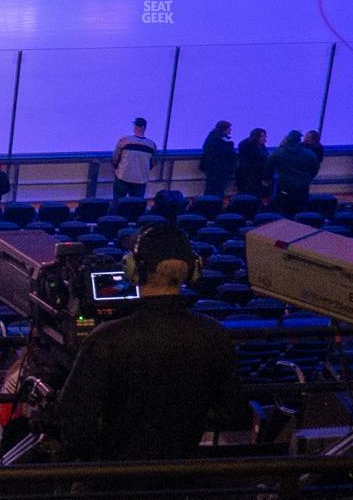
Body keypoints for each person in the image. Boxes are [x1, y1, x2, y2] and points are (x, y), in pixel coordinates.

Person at [52, 225, 252, 460]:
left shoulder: (107, 339)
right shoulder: (214, 334)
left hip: (114, 477)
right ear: (193, 270)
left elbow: (75, 423)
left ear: (133, 269)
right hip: (184, 474)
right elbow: (236, 414)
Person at [269, 130, 319, 215]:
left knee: (282, 210)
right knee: (300, 211)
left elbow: (269, 167)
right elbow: (315, 168)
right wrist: (308, 178)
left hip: (284, 187)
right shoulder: (309, 154)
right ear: (299, 140)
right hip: (302, 187)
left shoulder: (278, 152)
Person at [111, 117, 157, 199]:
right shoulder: (151, 144)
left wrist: (117, 167)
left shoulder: (124, 140)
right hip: (141, 179)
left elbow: (115, 158)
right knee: (136, 205)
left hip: (123, 176)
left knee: (117, 202)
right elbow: (153, 162)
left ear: (136, 127)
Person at [199, 121, 236, 197]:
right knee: (214, 189)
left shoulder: (213, 137)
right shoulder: (216, 139)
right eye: (229, 128)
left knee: (216, 189)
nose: (230, 130)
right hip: (217, 169)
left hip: (218, 169)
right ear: (224, 129)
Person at [235, 127, 271, 198]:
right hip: (248, 174)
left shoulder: (260, 145)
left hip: (257, 174)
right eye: (262, 136)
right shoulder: (247, 145)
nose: (264, 139)